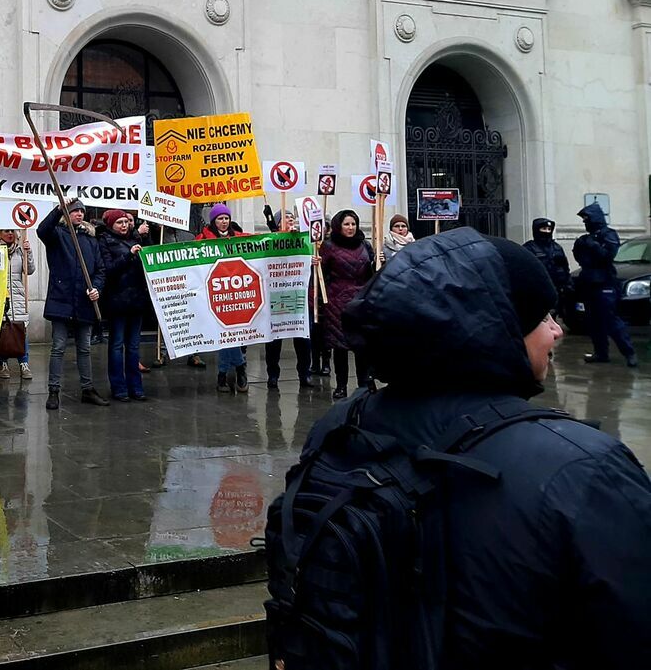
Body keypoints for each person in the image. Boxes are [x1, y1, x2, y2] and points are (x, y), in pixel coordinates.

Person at [266, 228, 651, 667]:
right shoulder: (585, 469)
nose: (556, 330)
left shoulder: (338, 426)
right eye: (540, 316)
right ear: (494, 329)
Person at [38, 201, 108, 410]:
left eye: (81, 211)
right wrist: (58, 208)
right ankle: (53, 391)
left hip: (84, 301)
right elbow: (42, 230)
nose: (78, 214)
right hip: (62, 299)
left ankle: (87, 389)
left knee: (84, 348)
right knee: (58, 346)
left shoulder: (90, 240)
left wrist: (96, 288)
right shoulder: (57, 235)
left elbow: (100, 270)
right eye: (74, 210)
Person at [319, 209, 375, 401]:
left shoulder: (365, 245)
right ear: (338, 226)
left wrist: (378, 263)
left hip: (361, 299)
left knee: (362, 345)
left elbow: (372, 273)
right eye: (346, 224)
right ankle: (341, 385)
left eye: (353, 224)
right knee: (340, 346)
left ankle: (364, 382)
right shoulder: (328, 247)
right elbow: (322, 276)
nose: (350, 228)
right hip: (338, 301)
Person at [573, 202, 637, 367]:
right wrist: (581, 246)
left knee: (611, 320)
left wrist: (594, 246)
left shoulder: (609, 234)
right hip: (589, 283)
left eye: (587, 219)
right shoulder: (586, 238)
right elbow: (580, 258)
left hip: (605, 283)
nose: (585, 223)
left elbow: (608, 255)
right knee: (594, 321)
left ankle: (629, 352)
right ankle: (601, 353)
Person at [97, 209, 151, 402]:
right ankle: (119, 387)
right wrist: (128, 255)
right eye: (119, 222)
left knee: (134, 347)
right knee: (117, 345)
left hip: (136, 300)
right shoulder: (104, 241)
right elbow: (108, 269)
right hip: (117, 301)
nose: (123, 225)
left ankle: (136, 387)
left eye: (125, 222)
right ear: (111, 224)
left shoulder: (135, 239)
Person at [261, 208, 314, 390]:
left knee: (303, 340)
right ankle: (273, 374)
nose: (290, 220)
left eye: (292, 217)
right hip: (276, 296)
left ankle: (304, 374)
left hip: (298, 296)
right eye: (285, 218)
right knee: (274, 340)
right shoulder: (269, 242)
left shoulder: (304, 240)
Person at [197, 203, 247, 390]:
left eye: (226, 218)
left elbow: (263, 242)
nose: (224, 222)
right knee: (227, 335)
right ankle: (240, 368)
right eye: (220, 218)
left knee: (232, 335)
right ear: (213, 220)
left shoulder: (240, 237)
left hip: (237, 293)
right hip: (216, 293)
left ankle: (223, 374)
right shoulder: (202, 239)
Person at [0, 227, 35, 381]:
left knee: (21, 331)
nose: (10, 233)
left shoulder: (20, 251)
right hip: (0, 297)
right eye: (6, 231)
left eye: (12, 231)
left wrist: (28, 252)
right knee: (2, 332)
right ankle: (3, 364)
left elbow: (29, 270)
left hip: (18, 297)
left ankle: (24, 364)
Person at [523, 217, 573, 320]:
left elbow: (565, 267)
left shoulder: (557, 248)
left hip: (556, 289)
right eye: (543, 229)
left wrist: (567, 284)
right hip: (538, 291)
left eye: (549, 229)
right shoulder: (529, 248)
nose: (547, 231)